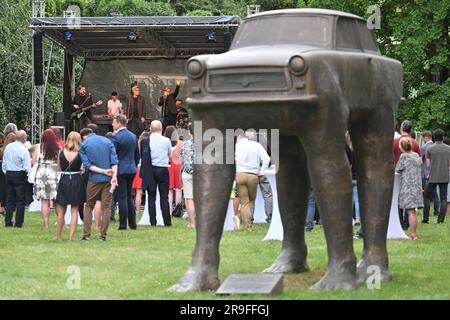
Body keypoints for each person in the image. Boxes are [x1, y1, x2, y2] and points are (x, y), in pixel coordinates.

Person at [79, 128, 118, 241]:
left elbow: (87, 166)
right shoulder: (107, 141)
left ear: (84, 136)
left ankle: (86, 235)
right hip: (108, 179)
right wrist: (114, 176)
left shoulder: (84, 144)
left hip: (94, 179)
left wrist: (102, 171)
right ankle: (103, 236)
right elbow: (114, 161)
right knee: (106, 208)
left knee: (89, 205)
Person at [235, 130, 271, 231]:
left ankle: (247, 225)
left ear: (238, 137)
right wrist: (262, 171)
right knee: (251, 200)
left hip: (240, 174)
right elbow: (267, 158)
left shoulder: (236, 147)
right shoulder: (256, 145)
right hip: (253, 175)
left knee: (244, 201)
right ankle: (248, 220)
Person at [140, 120, 172, 226]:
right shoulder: (166, 140)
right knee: (164, 196)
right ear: (161, 129)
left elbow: (142, 156)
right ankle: (167, 221)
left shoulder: (145, 140)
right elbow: (169, 154)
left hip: (150, 169)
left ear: (150, 129)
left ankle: (152, 221)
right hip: (162, 169)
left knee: (151, 196)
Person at [111, 115, 140, 230]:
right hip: (131, 169)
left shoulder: (115, 137)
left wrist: (113, 170)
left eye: (113, 122)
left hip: (120, 169)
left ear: (119, 123)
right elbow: (137, 155)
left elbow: (113, 156)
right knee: (129, 197)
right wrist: (134, 165)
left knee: (122, 197)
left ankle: (123, 224)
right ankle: (133, 224)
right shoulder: (133, 136)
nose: (112, 125)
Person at [55, 132, 85, 241]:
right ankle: (71, 237)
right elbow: (83, 167)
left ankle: (58, 236)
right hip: (76, 179)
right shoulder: (80, 153)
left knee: (61, 211)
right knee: (74, 210)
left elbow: (58, 167)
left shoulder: (61, 152)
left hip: (64, 179)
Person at [393, 120, 421, 230]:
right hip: (413, 180)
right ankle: (406, 223)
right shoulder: (415, 143)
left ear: (401, 128)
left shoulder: (395, 141)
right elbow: (420, 160)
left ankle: (399, 222)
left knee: (398, 200)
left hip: (399, 177)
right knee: (410, 207)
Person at [32, 129, 60, 229]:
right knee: (57, 200)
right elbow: (60, 162)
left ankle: (46, 225)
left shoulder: (38, 147)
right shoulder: (57, 148)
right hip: (53, 174)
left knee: (44, 201)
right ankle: (61, 223)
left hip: (41, 175)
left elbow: (33, 161)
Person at [395, 137, 423, 240]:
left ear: (402, 147)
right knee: (413, 211)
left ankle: (414, 234)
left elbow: (398, 168)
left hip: (408, 187)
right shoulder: (415, 155)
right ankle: (413, 233)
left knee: (411, 212)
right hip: (417, 186)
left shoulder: (403, 156)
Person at [1, 131, 30, 227]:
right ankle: (18, 223)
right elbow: (27, 167)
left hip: (9, 173)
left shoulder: (8, 147)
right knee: (20, 200)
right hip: (19, 174)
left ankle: (8, 221)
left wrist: (7, 172)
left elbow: (4, 164)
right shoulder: (24, 150)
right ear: (23, 138)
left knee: (10, 199)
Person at [424, 129, 450, 224]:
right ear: (443, 137)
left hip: (433, 176)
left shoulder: (430, 148)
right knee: (443, 198)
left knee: (426, 195)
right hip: (444, 176)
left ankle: (426, 219)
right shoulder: (448, 148)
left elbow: (427, 165)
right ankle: (440, 220)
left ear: (434, 137)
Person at [420, 131, 440, 221]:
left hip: (426, 173)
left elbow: (421, 160)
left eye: (423, 138)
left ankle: (426, 214)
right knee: (435, 194)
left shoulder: (424, 147)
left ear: (426, 137)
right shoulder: (436, 146)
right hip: (435, 173)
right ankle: (436, 211)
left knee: (426, 195)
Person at [164, 125, 183, 216]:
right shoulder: (181, 143)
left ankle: (169, 210)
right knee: (178, 189)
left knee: (169, 190)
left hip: (169, 166)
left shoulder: (165, 143)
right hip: (178, 167)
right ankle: (178, 210)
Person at [180, 124, 195, 228]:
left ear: (189, 132)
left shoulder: (184, 144)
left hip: (187, 172)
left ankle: (192, 223)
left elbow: (181, 159)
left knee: (189, 199)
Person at [132, 131, 150, 218]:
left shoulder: (137, 145)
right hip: (146, 169)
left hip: (137, 169)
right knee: (147, 192)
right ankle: (145, 209)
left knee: (138, 192)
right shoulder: (148, 145)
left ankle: (137, 210)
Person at [0, 133, 16, 217]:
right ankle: (6, 210)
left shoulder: (3, 149)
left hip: (3, 171)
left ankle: (2, 210)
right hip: (10, 171)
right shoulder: (12, 149)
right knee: (8, 191)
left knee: (2, 190)